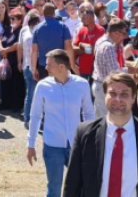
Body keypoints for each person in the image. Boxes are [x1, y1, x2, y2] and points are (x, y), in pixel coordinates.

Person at [63, 72, 138, 197]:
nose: (118, 99)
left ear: (133, 97)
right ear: (105, 95)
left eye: (124, 94)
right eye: (112, 93)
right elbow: (72, 184)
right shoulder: (85, 133)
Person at [27, 50, 95, 197]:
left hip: (76, 146)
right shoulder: (43, 86)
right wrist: (30, 144)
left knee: (79, 186)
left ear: (62, 67)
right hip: (52, 146)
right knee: (54, 188)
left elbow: (89, 113)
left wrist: (90, 140)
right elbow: (35, 115)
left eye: (49, 64)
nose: (45, 68)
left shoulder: (82, 85)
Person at [91, 20, 129, 117]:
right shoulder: (108, 46)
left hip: (99, 85)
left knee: (99, 119)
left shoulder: (101, 41)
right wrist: (130, 70)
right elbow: (114, 72)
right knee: (106, 120)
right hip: (104, 86)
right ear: (116, 33)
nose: (124, 37)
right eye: (123, 33)